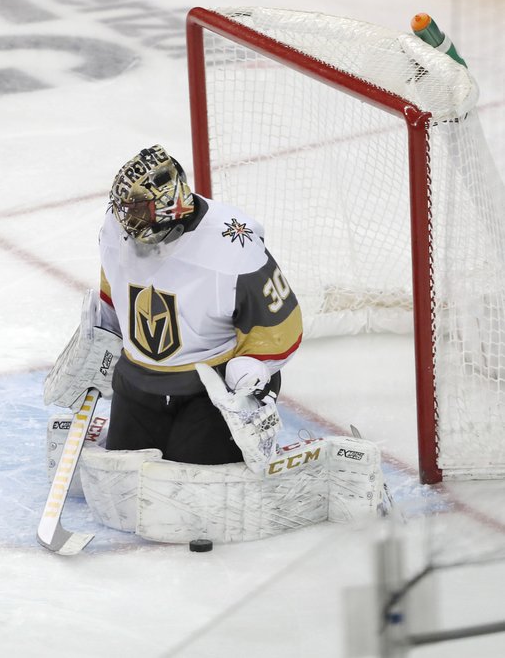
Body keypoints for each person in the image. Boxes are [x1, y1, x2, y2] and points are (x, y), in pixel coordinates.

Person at [45, 145, 386, 543]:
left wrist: (252, 372)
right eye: (125, 208)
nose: (127, 218)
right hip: (138, 381)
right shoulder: (115, 229)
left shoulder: (233, 245)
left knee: (196, 489)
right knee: (125, 476)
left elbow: (280, 323)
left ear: (170, 203)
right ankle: (113, 429)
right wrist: (99, 341)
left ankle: (312, 465)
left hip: (209, 386)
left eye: (138, 208)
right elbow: (114, 290)